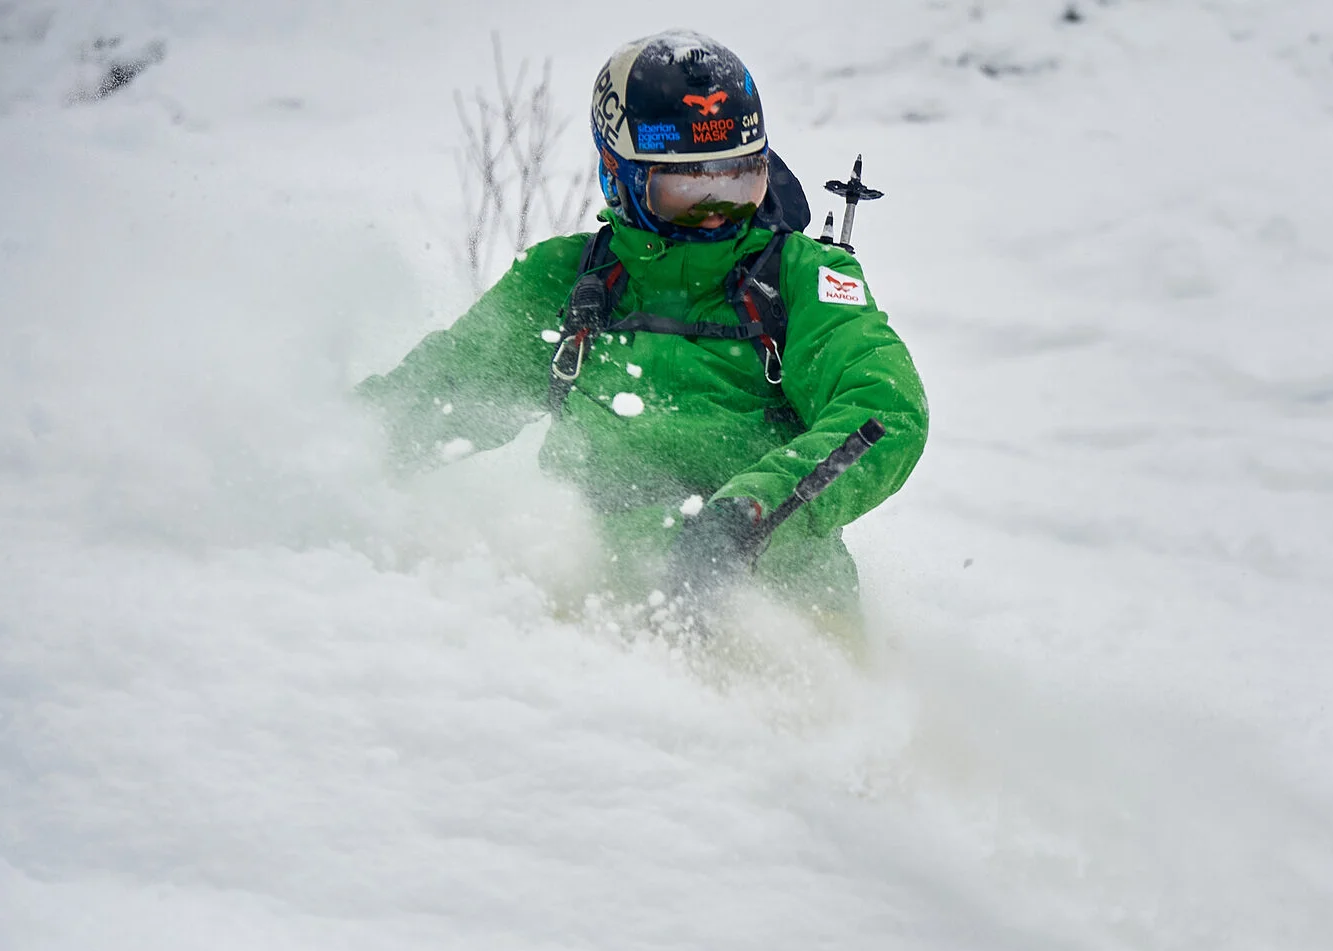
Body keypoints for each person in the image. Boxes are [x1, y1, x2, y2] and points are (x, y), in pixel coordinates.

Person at [356, 30, 928, 637]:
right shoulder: (569, 282)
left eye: (739, 184)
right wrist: (326, 453)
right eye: (685, 189)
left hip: (781, 614)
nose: (715, 210)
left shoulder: (802, 280)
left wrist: (747, 513)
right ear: (617, 176)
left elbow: (884, 408)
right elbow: (435, 398)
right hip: (594, 607)